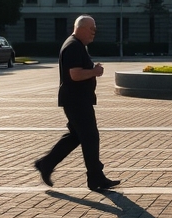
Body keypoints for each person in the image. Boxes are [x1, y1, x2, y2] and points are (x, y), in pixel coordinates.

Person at [34, 16, 120, 192]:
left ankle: (46, 164)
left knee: (76, 137)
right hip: (76, 101)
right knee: (90, 137)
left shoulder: (77, 45)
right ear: (80, 28)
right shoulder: (73, 46)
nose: (94, 32)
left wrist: (92, 70)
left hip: (77, 100)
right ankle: (95, 178)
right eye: (91, 28)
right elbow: (75, 75)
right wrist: (95, 71)